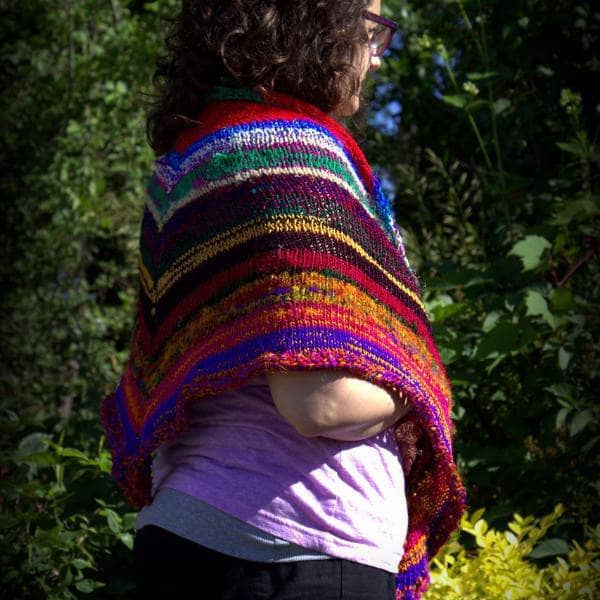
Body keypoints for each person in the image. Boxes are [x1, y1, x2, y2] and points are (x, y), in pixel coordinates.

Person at [100, 1, 467, 598]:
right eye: (371, 27)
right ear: (315, 25)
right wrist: (421, 383)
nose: (377, 53)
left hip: (212, 542)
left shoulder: (197, 156)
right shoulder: (293, 156)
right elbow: (319, 403)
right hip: (287, 551)